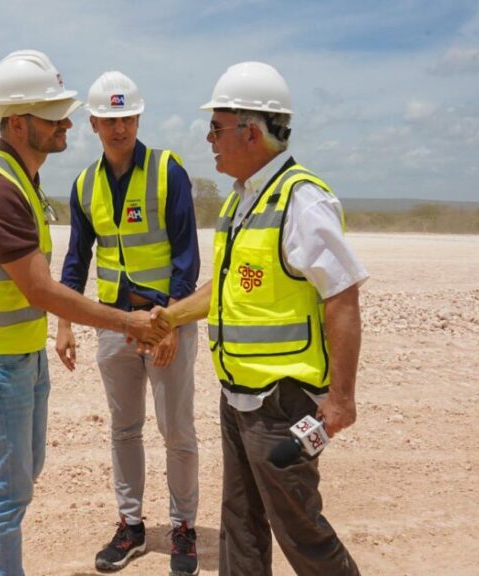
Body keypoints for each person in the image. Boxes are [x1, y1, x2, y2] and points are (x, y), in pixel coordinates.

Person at [0, 50, 169, 576]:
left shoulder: (22, 180)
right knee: (7, 492)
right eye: (54, 115)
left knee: (21, 477)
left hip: (17, 355)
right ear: (18, 123)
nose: (67, 124)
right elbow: (40, 289)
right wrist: (126, 321)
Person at [150, 61, 366, 575]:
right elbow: (226, 289)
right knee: (240, 524)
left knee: (301, 530)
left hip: (282, 402)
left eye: (216, 127)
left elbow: (342, 295)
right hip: (238, 396)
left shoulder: (301, 200)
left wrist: (341, 398)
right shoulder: (242, 200)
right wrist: (169, 317)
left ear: (250, 131)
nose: (209, 139)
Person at [54, 71, 201, 575]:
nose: (120, 128)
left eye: (128, 118)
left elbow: (186, 253)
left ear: (138, 118)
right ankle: (131, 526)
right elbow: (76, 260)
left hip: (164, 321)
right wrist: (65, 324)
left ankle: (183, 528)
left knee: (177, 430)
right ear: (93, 123)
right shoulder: (84, 185)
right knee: (124, 429)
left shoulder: (167, 171)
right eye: (110, 120)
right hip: (116, 324)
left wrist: (173, 322)